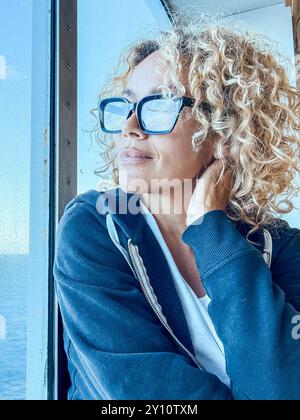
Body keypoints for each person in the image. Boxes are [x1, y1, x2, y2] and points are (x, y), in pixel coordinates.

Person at [53, 15, 300, 400]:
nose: (129, 127)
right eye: (127, 106)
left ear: (222, 131)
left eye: (160, 105)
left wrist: (212, 229)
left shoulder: (283, 247)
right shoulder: (96, 226)